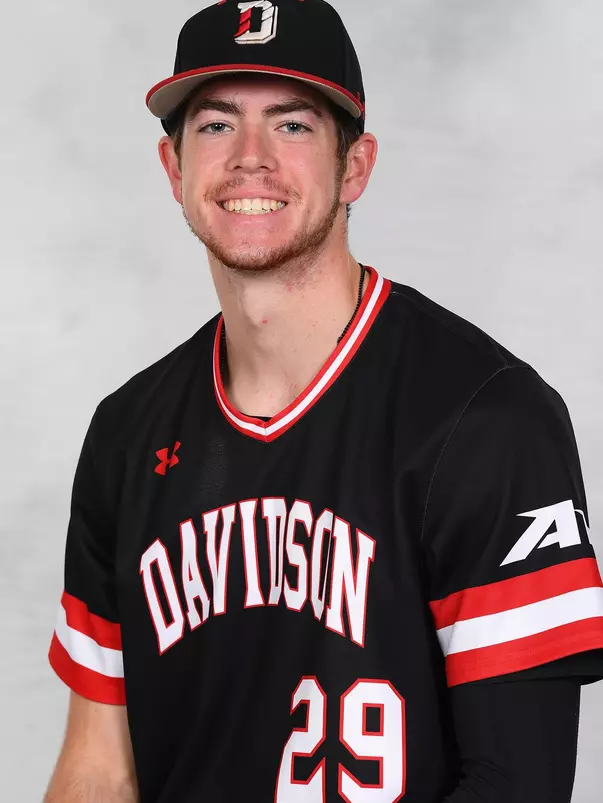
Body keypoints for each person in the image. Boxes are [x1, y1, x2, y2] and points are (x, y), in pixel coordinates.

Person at [44, 2, 603, 802]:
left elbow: (517, 784)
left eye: (294, 125)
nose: (249, 158)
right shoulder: (127, 433)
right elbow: (97, 768)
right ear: (173, 169)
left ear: (356, 165)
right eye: (214, 126)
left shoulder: (487, 419)